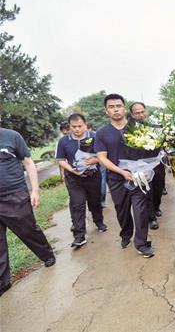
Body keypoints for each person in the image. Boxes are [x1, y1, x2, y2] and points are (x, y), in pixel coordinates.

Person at [94, 94, 155, 258]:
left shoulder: (138, 127)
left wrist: (148, 167)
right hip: (116, 179)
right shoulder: (102, 133)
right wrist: (121, 172)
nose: (115, 109)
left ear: (124, 107)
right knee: (122, 210)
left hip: (138, 178)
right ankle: (126, 233)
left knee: (140, 210)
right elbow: (101, 158)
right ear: (106, 111)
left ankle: (141, 243)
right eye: (111, 107)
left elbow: (150, 149)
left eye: (118, 106)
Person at [0, 126, 56, 297]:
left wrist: (35, 190)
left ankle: (47, 255)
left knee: (27, 229)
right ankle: (3, 282)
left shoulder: (11, 136)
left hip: (14, 194)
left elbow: (28, 162)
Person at [56, 113, 107, 248]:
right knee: (77, 204)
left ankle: (99, 221)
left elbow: (104, 154)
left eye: (80, 126)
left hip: (93, 175)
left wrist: (96, 160)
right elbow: (61, 160)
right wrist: (70, 169)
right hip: (74, 178)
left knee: (95, 201)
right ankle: (79, 235)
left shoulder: (95, 137)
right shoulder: (64, 141)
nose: (77, 129)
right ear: (69, 126)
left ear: (85, 125)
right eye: (74, 127)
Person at [129, 102, 165, 230]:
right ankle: (151, 218)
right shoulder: (130, 129)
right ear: (132, 115)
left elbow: (163, 140)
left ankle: (156, 207)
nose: (141, 114)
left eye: (142, 111)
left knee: (159, 187)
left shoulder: (155, 126)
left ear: (146, 111)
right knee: (147, 190)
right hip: (142, 164)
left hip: (157, 161)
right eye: (137, 113)